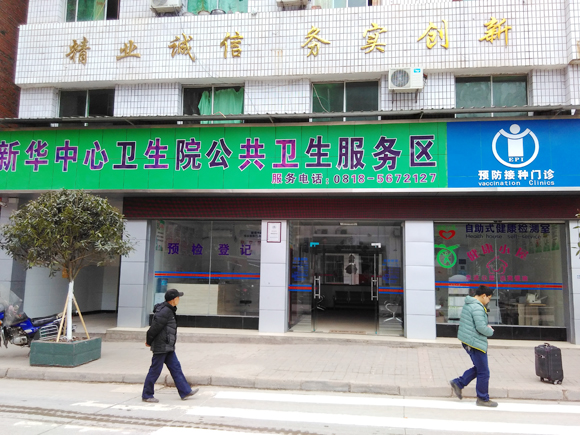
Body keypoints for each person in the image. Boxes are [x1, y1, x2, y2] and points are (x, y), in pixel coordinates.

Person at [142, 289, 198, 403]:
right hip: (162, 346)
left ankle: (185, 391)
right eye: (178, 297)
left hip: (168, 346)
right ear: (173, 299)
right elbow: (154, 328)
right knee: (155, 370)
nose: (179, 299)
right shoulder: (164, 312)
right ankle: (147, 395)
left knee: (176, 367)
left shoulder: (169, 310)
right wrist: (149, 341)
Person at [449, 285, 498, 407]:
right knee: (484, 372)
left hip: (469, 340)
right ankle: (482, 398)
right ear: (483, 296)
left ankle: (459, 383)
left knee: (480, 368)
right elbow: (480, 327)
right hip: (475, 342)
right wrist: (490, 331)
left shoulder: (470, 303)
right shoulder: (477, 307)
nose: (488, 301)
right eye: (489, 298)